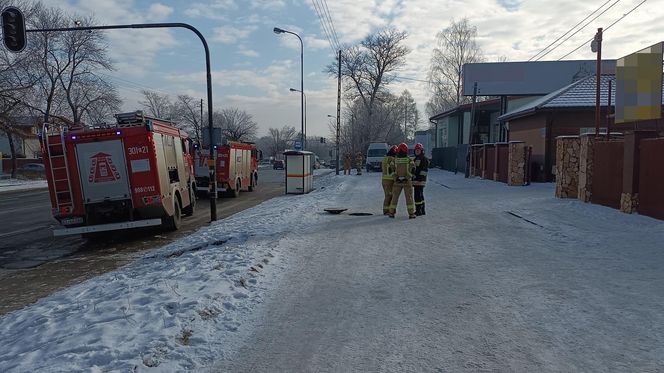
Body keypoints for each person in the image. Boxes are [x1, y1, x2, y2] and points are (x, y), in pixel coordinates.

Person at [388, 143, 416, 219]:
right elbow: (413, 170)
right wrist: (406, 178)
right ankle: (411, 213)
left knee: (394, 198)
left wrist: (396, 178)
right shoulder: (409, 160)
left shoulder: (394, 160)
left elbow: (390, 170)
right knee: (409, 198)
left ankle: (391, 213)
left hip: (397, 182)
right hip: (407, 182)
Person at [412, 143, 429, 216]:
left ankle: (419, 211)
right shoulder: (415, 159)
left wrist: (420, 178)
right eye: (416, 150)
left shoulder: (424, 159)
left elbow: (424, 170)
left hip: (420, 181)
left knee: (418, 196)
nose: (417, 151)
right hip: (416, 181)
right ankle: (422, 210)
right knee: (420, 195)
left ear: (421, 150)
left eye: (418, 150)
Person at [381, 145, 397, 215]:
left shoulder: (384, 158)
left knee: (387, 195)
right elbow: (393, 169)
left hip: (384, 180)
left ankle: (388, 209)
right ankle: (386, 211)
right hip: (390, 180)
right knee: (389, 196)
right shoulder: (392, 159)